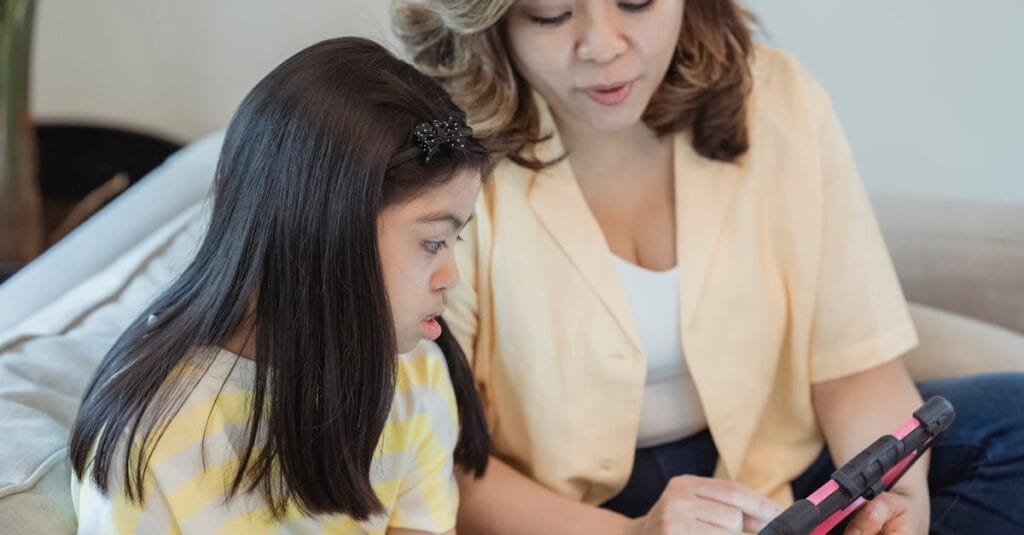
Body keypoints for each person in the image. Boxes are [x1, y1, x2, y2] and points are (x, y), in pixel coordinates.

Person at [393, 1, 1024, 533]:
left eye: (636, 1)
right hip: (570, 512)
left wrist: (899, 505)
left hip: (774, 476)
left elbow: (853, 363)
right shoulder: (445, 166)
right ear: (493, 21)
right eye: (552, 15)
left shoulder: (777, 97)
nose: (603, 47)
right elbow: (443, 462)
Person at [68, 36, 492, 534]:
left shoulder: (414, 375)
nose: (453, 278)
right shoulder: (150, 441)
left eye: (454, 239)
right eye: (432, 242)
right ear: (322, 230)